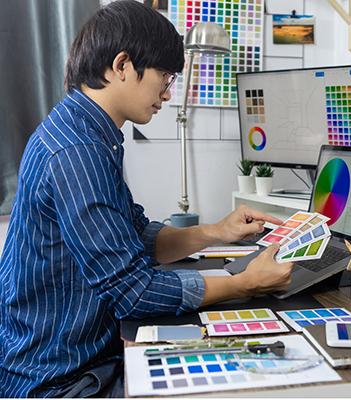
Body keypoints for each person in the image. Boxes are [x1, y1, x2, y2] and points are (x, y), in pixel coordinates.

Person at [0, 1, 296, 397]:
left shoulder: (89, 134)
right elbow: (132, 290)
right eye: (165, 76)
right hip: (59, 378)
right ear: (123, 65)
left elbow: (135, 235)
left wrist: (216, 232)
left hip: (79, 358)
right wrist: (242, 284)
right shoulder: (76, 151)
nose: (169, 94)